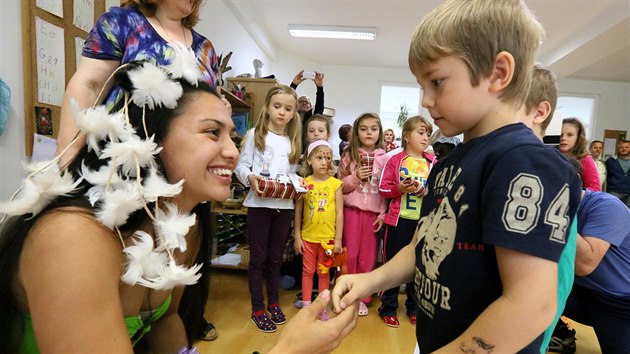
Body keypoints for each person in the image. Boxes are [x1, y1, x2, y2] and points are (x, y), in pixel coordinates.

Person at [332, 1, 582, 353]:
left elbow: (531, 305)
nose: (426, 100)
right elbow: (421, 246)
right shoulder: (449, 164)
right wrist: (370, 280)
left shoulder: (525, 162)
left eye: (436, 82)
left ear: (498, 72)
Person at [0, 61, 235, 353]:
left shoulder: (185, 228)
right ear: (149, 136)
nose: (233, 152)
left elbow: (167, 320)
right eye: (213, 132)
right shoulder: (73, 237)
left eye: (232, 137)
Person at [56, 0, 225, 167]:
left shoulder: (205, 49)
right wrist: (68, 155)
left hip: (188, 170)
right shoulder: (121, 23)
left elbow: (211, 110)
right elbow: (89, 86)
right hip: (120, 168)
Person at [234, 84, 302, 333]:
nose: (282, 112)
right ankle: (257, 308)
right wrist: (250, 177)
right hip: (259, 206)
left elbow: (292, 175)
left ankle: (273, 303)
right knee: (258, 260)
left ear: (294, 113)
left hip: (283, 208)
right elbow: (241, 166)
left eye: (288, 108)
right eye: (277, 106)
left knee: (275, 259)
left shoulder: (292, 141)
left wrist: (299, 182)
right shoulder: (255, 134)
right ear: (268, 108)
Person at [549, 187, 630, 354]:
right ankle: (559, 333)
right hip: (581, 290)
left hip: (618, 300)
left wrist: (556, 212)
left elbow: (584, 264)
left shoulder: (607, 206)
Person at [377, 116, 435, 328]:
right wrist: (399, 189)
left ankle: (413, 308)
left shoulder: (433, 162)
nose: (426, 137)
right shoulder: (395, 160)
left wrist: (424, 191)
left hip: (424, 224)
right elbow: (383, 189)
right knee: (393, 265)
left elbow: (438, 192)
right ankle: (388, 307)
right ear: (407, 136)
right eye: (421, 132)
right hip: (398, 222)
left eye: (428, 133)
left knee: (418, 267)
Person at [337, 112, 387, 317]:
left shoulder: (386, 158)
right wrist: (355, 178)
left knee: (367, 258)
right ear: (357, 131)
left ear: (379, 132)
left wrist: (383, 214)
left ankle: (363, 298)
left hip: (373, 215)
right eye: (364, 128)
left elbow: (387, 189)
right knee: (349, 256)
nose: (369, 132)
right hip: (351, 212)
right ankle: (344, 293)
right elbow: (339, 186)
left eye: (373, 129)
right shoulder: (349, 155)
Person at [293, 140, 344, 319]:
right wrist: (297, 236)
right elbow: (298, 212)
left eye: (328, 158)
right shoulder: (303, 184)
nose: (324, 162)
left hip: (328, 239)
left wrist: (338, 239)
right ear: (309, 160)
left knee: (324, 273)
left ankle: (322, 307)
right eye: (319, 157)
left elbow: (339, 214)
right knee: (308, 272)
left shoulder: (335, 184)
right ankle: (307, 306)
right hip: (308, 237)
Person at [560, 118, 601, 191]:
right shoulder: (551, 155)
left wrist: (575, 191)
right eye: (561, 135)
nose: (563, 138)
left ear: (578, 138)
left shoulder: (585, 159)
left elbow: (595, 189)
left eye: (569, 135)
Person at [605, 139, 630, 207]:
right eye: (621, 147)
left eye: (626, 147)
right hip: (614, 192)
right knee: (613, 212)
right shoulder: (611, 161)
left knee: (627, 215)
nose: (624, 149)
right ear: (618, 149)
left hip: (629, 194)